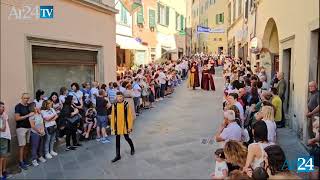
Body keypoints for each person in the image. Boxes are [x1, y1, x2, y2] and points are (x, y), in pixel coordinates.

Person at [110, 92, 135, 163]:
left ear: (123, 97)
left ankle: (132, 148)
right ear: (116, 97)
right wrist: (112, 127)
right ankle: (118, 155)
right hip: (117, 126)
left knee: (127, 138)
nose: (120, 98)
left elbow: (129, 116)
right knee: (117, 140)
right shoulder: (114, 105)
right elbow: (113, 117)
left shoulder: (126, 104)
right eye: (118, 96)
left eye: (121, 96)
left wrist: (130, 127)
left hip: (125, 126)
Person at [15, 93, 33, 170]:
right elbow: (17, 118)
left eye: (28, 98)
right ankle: (21, 162)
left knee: (27, 145)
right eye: (25, 98)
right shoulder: (18, 106)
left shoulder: (29, 105)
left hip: (29, 127)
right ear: (21, 98)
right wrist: (27, 115)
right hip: (21, 128)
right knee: (22, 146)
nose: (26, 100)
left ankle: (25, 160)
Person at [28, 102, 46, 166]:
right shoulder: (31, 116)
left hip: (41, 132)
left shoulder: (39, 114)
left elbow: (42, 122)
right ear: (33, 108)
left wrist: (43, 130)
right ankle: (34, 159)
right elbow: (32, 126)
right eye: (36, 106)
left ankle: (40, 156)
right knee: (34, 147)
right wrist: (39, 131)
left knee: (41, 145)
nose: (37, 107)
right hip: (35, 133)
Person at [0, 101, 11, 179]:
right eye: (2, 107)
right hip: (2, 138)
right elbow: (3, 129)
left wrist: (4, 117)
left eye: (4, 107)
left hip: (7, 137)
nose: (4, 108)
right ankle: (0, 174)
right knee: (2, 157)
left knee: (5, 155)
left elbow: (7, 125)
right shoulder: (3, 116)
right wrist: (4, 119)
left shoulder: (4, 115)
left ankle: (4, 171)